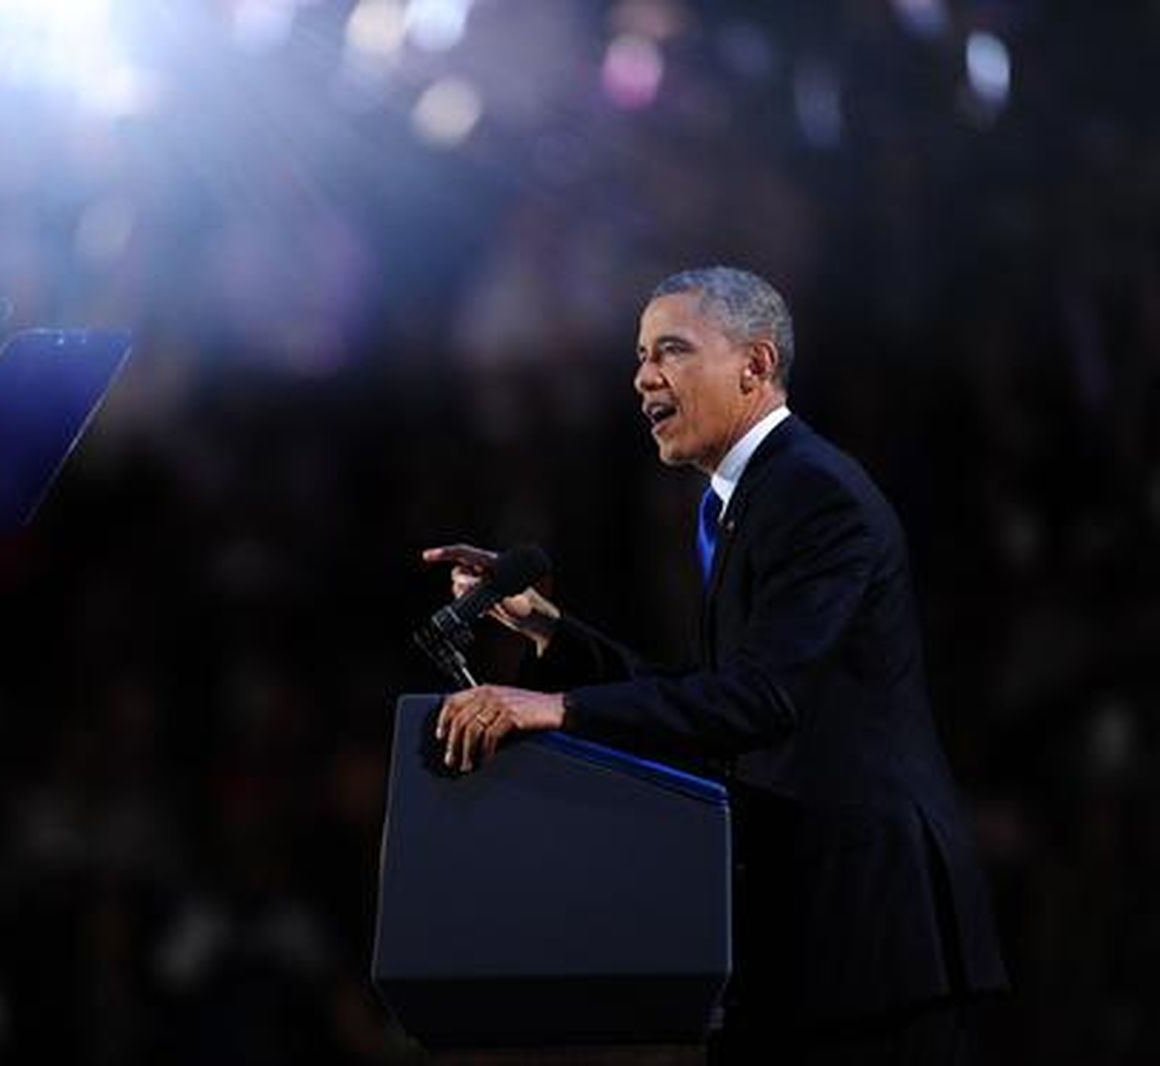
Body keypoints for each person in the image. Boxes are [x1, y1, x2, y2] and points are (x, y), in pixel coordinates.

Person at [425, 267, 1007, 1064]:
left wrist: (556, 710)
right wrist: (552, 636)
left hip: (872, 942)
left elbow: (756, 701)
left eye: (671, 349)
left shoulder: (812, 495)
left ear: (755, 365)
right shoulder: (753, 501)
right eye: (638, 355)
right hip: (800, 944)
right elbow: (714, 697)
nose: (642, 377)